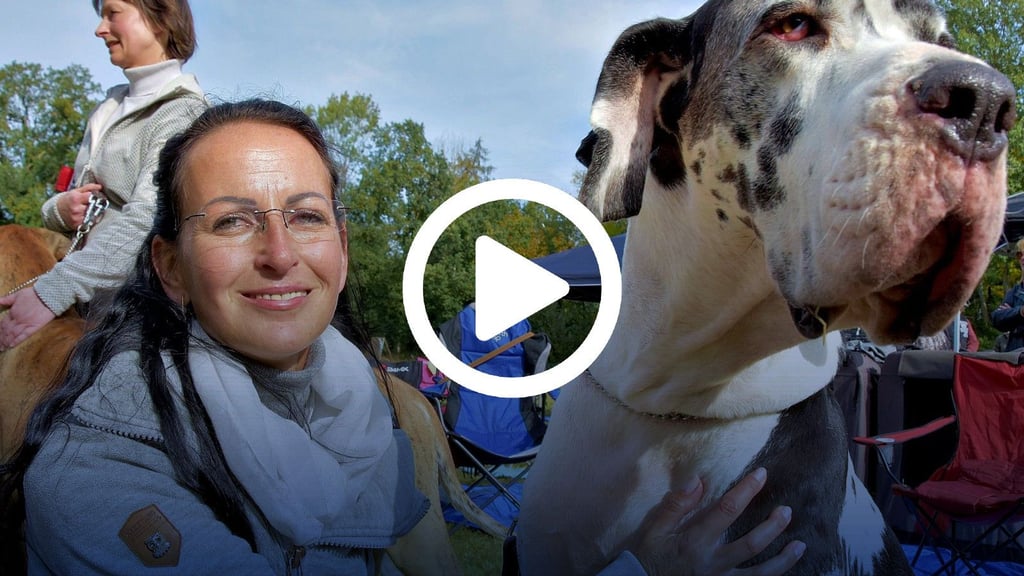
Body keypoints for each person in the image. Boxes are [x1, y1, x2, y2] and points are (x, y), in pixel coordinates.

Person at [0, 100, 803, 575]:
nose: (281, 253)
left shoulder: (360, 411)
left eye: (306, 217)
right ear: (170, 269)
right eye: (234, 221)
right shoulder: (99, 467)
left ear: (342, 255)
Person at [0, 0, 208, 352]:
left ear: (160, 19)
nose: (100, 29)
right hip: (79, 292)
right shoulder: (108, 108)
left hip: (133, 313)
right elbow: (75, 203)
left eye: (113, 13)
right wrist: (60, 208)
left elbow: (147, 221)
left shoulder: (182, 112)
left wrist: (51, 292)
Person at [992, 238, 1024, 352]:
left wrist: (1012, 314)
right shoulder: (1015, 291)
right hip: (1016, 360)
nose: (1022, 258)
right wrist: (1019, 312)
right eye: (1020, 254)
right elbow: (997, 319)